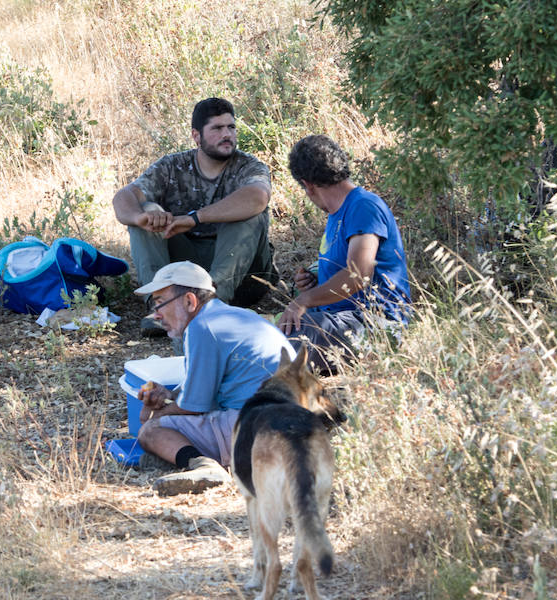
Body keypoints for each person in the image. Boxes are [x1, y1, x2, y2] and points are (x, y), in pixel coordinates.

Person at [112, 97, 278, 336]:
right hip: (188, 268)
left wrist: (195, 218)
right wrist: (141, 218)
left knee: (249, 214)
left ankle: (213, 305)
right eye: (217, 128)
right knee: (148, 212)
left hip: (243, 274)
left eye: (231, 127)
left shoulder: (249, 166)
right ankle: (160, 308)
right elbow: (124, 197)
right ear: (196, 136)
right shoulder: (173, 166)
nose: (227, 134)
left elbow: (257, 198)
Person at [133, 261, 295, 496]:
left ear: (190, 301)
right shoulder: (233, 316)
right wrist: (169, 396)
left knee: (151, 432)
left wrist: (152, 416)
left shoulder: (202, 328)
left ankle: (202, 466)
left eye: (160, 303)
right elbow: (205, 389)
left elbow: (194, 407)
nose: (156, 315)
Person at [277, 134, 411, 373]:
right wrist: (314, 281)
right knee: (264, 326)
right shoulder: (337, 212)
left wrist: (305, 299)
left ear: (307, 185)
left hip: (374, 325)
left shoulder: (363, 207)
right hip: (338, 318)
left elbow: (358, 275)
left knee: (278, 340)